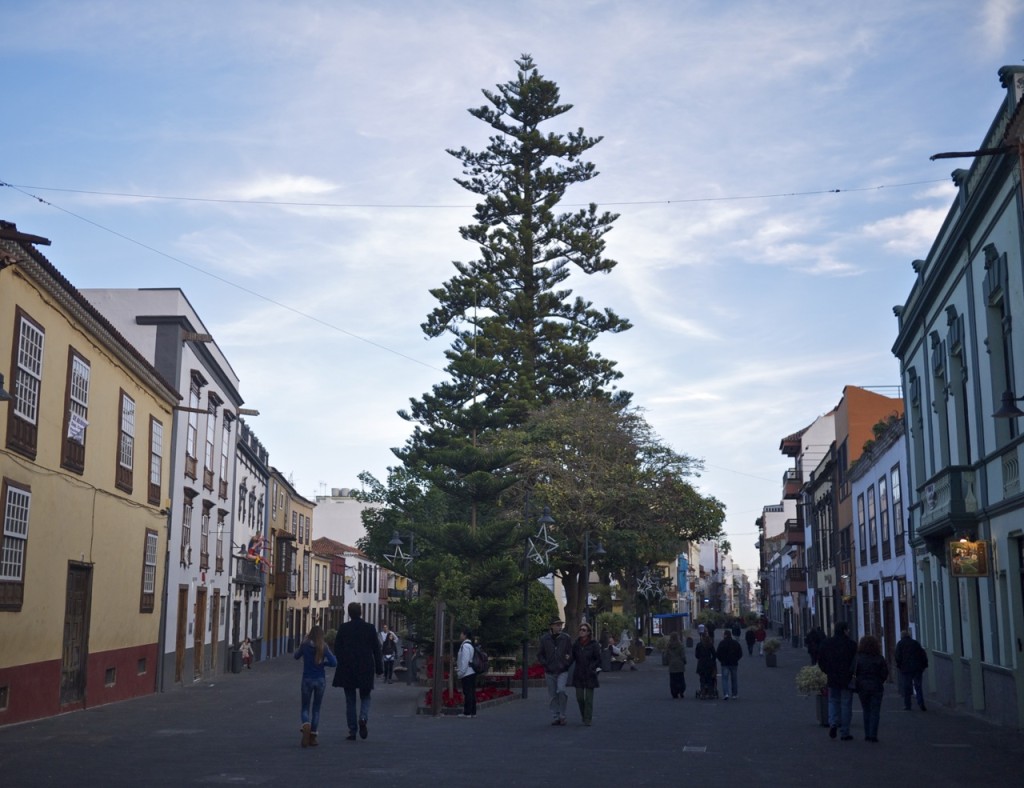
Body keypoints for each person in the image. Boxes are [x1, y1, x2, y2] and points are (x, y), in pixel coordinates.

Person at [332, 601, 383, 741]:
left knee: (350, 700)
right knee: (365, 696)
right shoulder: (370, 628)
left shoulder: (344, 628)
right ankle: (363, 717)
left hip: (347, 669)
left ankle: (352, 730)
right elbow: (376, 650)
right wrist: (379, 669)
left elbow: (337, 648)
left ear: (349, 613)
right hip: (365, 668)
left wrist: (342, 661)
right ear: (361, 612)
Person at [294, 625, 337, 748]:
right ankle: (312, 736)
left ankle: (306, 724)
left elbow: (296, 656)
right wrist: (324, 663)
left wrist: (302, 643)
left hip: (307, 679)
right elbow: (334, 663)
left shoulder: (305, 645)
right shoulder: (324, 646)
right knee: (316, 709)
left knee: (305, 707)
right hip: (320, 680)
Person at [818, 621, 858, 741]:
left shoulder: (826, 643)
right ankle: (845, 732)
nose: (849, 631)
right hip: (846, 678)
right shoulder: (851, 644)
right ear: (844, 630)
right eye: (848, 629)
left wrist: (827, 671)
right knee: (846, 704)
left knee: (833, 701)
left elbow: (821, 660)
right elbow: (855, 662)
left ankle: (833, 723)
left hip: (832, 677)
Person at [537, 617, 572, 726]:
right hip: (550, 670)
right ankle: (556, 716)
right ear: (551, 626)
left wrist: (567, 662)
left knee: (561, 691)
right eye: (557, 625)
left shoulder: (566, 638)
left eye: (560, 625)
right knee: (552, 695)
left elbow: (570, 653)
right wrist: (545, 663)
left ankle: (562, 715)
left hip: (562, 669)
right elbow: (540, 654)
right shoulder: (544, 639)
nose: (559, 627)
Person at [854, 634, 889, 742]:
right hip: (876, 686)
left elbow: (854, 671)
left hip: (863, 687)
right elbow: (884, 673)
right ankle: (873, 734)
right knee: (875, 711)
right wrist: (880, 681)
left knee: (866, 710)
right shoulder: (879, 658)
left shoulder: (858, 658)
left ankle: (867, 734)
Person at [568, 622, 602, 725]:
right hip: (578, 673)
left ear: (588, 632)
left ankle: (588, 719)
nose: (581, 632)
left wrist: (592, 667)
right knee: (579, 698)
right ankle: (584, 715)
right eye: (580, 630)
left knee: (588, 698)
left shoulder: (594, 644)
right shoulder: (576, 644)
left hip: (589, 674)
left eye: (584, 630)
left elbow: (598, 659)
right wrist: (565, 662)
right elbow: (572, 657)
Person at [894, 629, 928, 711]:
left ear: (901, 636)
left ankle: (908, 705)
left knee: (907, 687)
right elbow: (922, 654)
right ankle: (921, 703)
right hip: (917, 668)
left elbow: (897, 656)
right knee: (918, 686)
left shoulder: (900, 644)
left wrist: (899, 666)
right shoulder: (915, 643)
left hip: (906, 669)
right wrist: (924, 665)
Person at [455, 628, 477, 718]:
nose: (460, 635)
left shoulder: (465, 646)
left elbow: (464, 661)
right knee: (471, 692)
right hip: (471, 672)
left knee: (467, 692)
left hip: (467, 672)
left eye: (461, 634)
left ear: (464, 635)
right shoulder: (470, 645)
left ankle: (467, 712)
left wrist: (460, 672)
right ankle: (472, 712)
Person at [715, 629, 742, 700]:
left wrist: (721, 660)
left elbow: (718, 653)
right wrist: (736, 659)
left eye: (723, 634)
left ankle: (726, 694)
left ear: (725, 635)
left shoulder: (722, 643)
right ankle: (734, 694)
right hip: (734, 663)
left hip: (725, 664)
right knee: (734, 679)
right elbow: (740, 653)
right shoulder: (735, 643)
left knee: (724, 679)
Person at [695, 633, 717, 699]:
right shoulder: (710, 645)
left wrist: (700, 657)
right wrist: (712, 661)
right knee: (710, 679)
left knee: (702, 679)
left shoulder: (699, 645)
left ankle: (702, 693)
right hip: (709, 664)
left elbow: (697, 655)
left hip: (701, 663)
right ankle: (711, 693)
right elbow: (714, 654)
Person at [665, 632, 687, 699]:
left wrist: (668, 662)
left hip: (672, 665)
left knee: (673, 680)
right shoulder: (680, 645)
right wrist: (684, 661)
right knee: (681, 679)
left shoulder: (669, 646)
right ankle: (681, 691)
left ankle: (674, 693)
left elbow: (667, 655)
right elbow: (683, 655)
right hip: (680, 664)